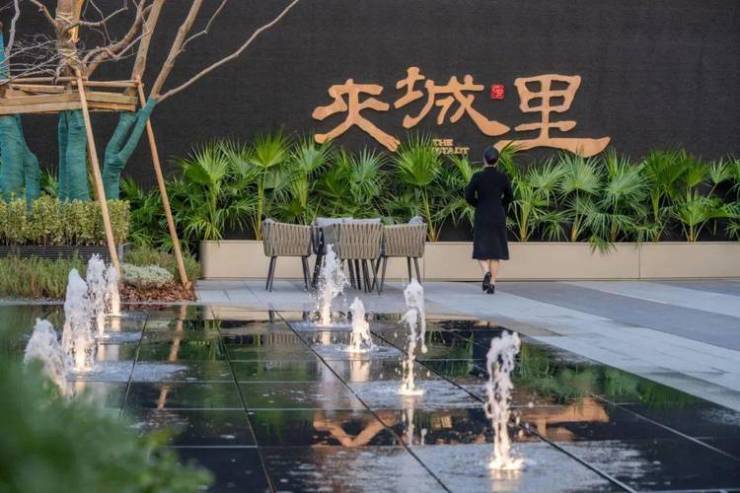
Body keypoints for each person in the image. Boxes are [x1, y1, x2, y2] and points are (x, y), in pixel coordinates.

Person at [465, 146, 513, 294]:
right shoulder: (503, 177)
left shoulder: (477, 176)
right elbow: (510, 196)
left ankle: (486, 272)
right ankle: (492, 284)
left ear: (484, 160)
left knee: (481, 248)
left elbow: (468, 196)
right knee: (496, 251)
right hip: (498, 214)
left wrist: (478, 204)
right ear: (497, 161)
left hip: (482, 214)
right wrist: (500, 205)